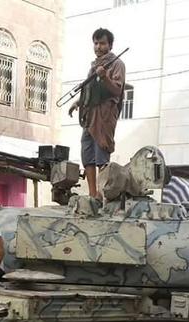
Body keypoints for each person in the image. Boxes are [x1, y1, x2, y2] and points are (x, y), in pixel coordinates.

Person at [68, 28, 126, 199]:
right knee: (87, 154)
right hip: (89, 115)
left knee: (101, 153)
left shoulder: (116, 64)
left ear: (110, 45)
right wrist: (78, 102)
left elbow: (117, 89)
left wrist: (105, 77)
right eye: (96, 43)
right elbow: (89, 90)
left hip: (104, 116)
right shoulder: (93, 66)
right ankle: (93, 194)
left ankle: (103, 192)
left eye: (102, 43)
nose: (98, 47)